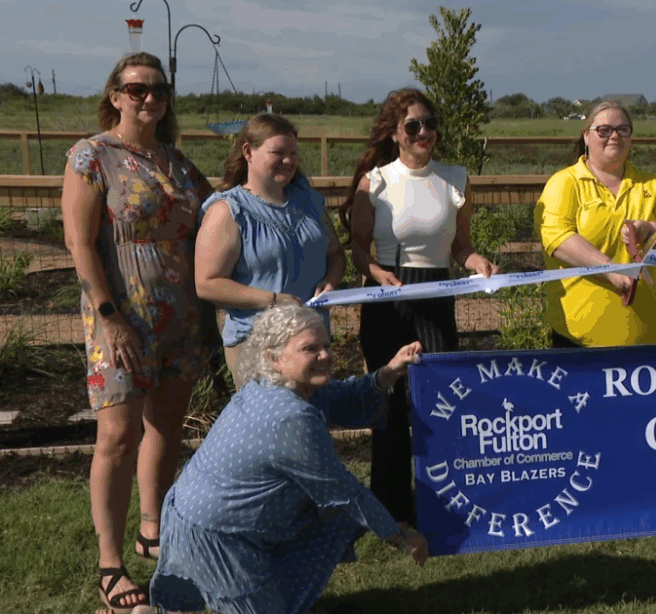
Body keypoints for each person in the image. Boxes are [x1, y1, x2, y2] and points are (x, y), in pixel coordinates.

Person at [61, 52, 216, 612]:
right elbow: (80, 243)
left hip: (182, 319)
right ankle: (110, 563)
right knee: (117, 438)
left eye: (157, 90)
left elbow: (222, 210)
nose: (147, 98)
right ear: (116, 95)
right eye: (136, 89)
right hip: (120, 320)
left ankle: (153, 531)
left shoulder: (178, 163)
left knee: (167, 428)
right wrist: (108, 315)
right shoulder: (92, 156)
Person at [147, 305, 427, 614]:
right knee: (344, 509)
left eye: (326, 346)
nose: (325, 355)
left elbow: (344, 396)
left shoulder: (275, 386)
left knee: (339, 517)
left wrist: (389, 371)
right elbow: (346, 493)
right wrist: (401, 536)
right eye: (310, 349)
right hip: (217, 537)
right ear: (273, 358)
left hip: (201, 516)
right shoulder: (289, 418)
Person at [344, 88, 498, 528]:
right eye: (413, 126)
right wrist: (374, 272)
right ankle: (389, 508)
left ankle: (441, 502)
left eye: (429, 123)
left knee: (438, 402)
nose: (423, 132)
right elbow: (357, 249)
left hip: (436, 294)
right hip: (389, 295)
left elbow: (461, 248)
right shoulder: (375, 181)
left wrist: (478, 262)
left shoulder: (455, 178)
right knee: (388, 403)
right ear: (395, 134)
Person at [194, 113, 344, 385]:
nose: (288, 161)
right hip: (258, 346)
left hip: (314, 342)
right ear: (248, 152)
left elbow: (335, 255)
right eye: (278, 152)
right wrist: (273, 300)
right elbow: (207, 284)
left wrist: (331, 280)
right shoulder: (226, 211)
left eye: (293, 153)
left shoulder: (310, 203)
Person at [536, 100, 656, 347]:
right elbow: (557, 239)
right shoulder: (565, 183)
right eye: (604, 130)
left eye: (623, 129)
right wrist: (610, 269)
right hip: (581, 344)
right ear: (586, 136)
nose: (614, 136)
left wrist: (651, 230)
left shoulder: (655, 186)